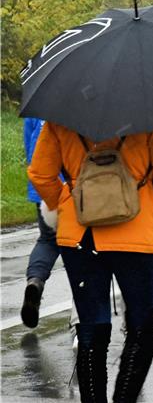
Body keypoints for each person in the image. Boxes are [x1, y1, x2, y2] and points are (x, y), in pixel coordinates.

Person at [28, 122, 153, 402]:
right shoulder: (151, 118)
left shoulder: (60, 119)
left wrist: (68, 199)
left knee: (90, 325)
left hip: (80, 234)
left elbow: (41, 175)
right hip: (135, 234)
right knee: (142, 325)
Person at [20, 117, 60, 328]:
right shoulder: (85, 98)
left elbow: (29, 145)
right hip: (75, 188)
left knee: (47, 240)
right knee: (82, 251)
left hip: (43, 186)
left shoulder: (41, 102)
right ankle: (81, 322)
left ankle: (35, 281)